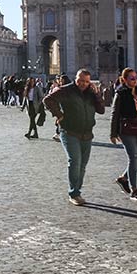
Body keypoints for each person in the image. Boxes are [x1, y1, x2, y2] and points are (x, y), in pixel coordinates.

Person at [44, 69, 105, 206]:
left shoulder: (91, 93)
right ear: (75, 79)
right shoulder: (66, 90)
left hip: (87, 133)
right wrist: (59, 115)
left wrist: (97, 94)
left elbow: (101, 110)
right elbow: (48, 100)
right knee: (75, 161)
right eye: (80, 80)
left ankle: (77, 190)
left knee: (82, 165)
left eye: (86, 81)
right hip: (69, 131)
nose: (83, 83)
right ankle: (74, 193)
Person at [110, 67, 137, 201]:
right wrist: (113, 133)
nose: (135, 80)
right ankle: (134, 190)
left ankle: (123, 178)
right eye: (132, 78)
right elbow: (115, 113)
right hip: (126, 128)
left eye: (136, 78)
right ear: (124, 80)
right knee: (133, 157)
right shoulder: (120, 93)